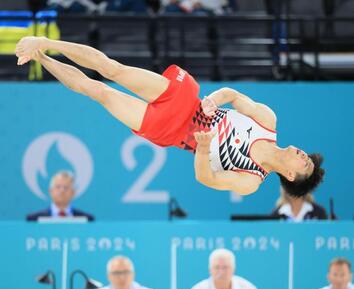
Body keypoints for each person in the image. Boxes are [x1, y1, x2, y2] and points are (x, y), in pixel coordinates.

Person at [16, 36, 325, 197]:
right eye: (306, 155)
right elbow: (233, 95)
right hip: (185, 100)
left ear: (290, 176)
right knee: (113, 69)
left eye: (305, 163)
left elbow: (207, 178)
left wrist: (204, 149)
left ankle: (40, 58)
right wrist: (214, 100)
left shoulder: (251, 181)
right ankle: (44, 43)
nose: (302, 154)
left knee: (99, 92)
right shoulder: (267, 122)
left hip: (173, 131)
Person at [187, 248, 261, 289]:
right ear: (210, 270)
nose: (221, 272)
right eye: (217, 267)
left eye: (225, 267)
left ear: (233, 269)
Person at [87, 255, 158, 289]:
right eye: (116, 273)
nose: (122, 277)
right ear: (108, 276)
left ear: (133, 274)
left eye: (126, 272)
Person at [26, 170, 94, 221]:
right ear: (50, 191)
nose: (62, 191)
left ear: (73, 193)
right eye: (58, 187)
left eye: (66, 187)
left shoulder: (86, 220)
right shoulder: (34, 220)